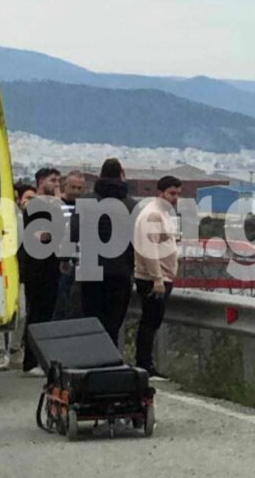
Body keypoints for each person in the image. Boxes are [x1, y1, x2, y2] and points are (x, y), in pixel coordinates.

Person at [73, 159, 136, 346]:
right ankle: (110, 358)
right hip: (120, 272)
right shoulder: (132, 206)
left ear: (100, 176)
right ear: (121, 176)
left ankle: (93, 358)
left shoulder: (86, 202)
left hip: (90, 271)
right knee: (113, 324)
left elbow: (73, 234)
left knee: (92, 322)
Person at [133, 175, 182, 377]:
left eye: (177, 194)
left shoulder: (163, 214)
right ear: (160, 193)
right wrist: (157, 278)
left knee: (153, 322)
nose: (175, 198)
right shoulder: (153, 215)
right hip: (153, 279)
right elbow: (149, 248)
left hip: (160, 277)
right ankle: (144, 364)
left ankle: (145, 363)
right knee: (150, 322)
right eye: (171, 193)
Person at [19, 167, 62, 375]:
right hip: (37, 267)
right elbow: (42, 235)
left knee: (45, 314)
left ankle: (40, 359)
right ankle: (30, 360)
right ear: (41, 181)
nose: (56, 184)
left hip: (50, 266)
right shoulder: (35, 206)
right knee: (36, 314)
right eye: (52, 180)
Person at [0, 183, 35, 371]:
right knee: (0, 312)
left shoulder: (21, 217)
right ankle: (0, 352)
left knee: (22, 313)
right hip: (0, 270)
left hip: (19, 270)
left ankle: (14, 347)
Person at [54, 171, 85, 320]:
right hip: (61, 263)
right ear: (65, 186)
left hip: (80, 263)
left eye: (79, 188)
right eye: (73, 187)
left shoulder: (85, 208)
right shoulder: (57, 206)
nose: (76, 191)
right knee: (61, 306)